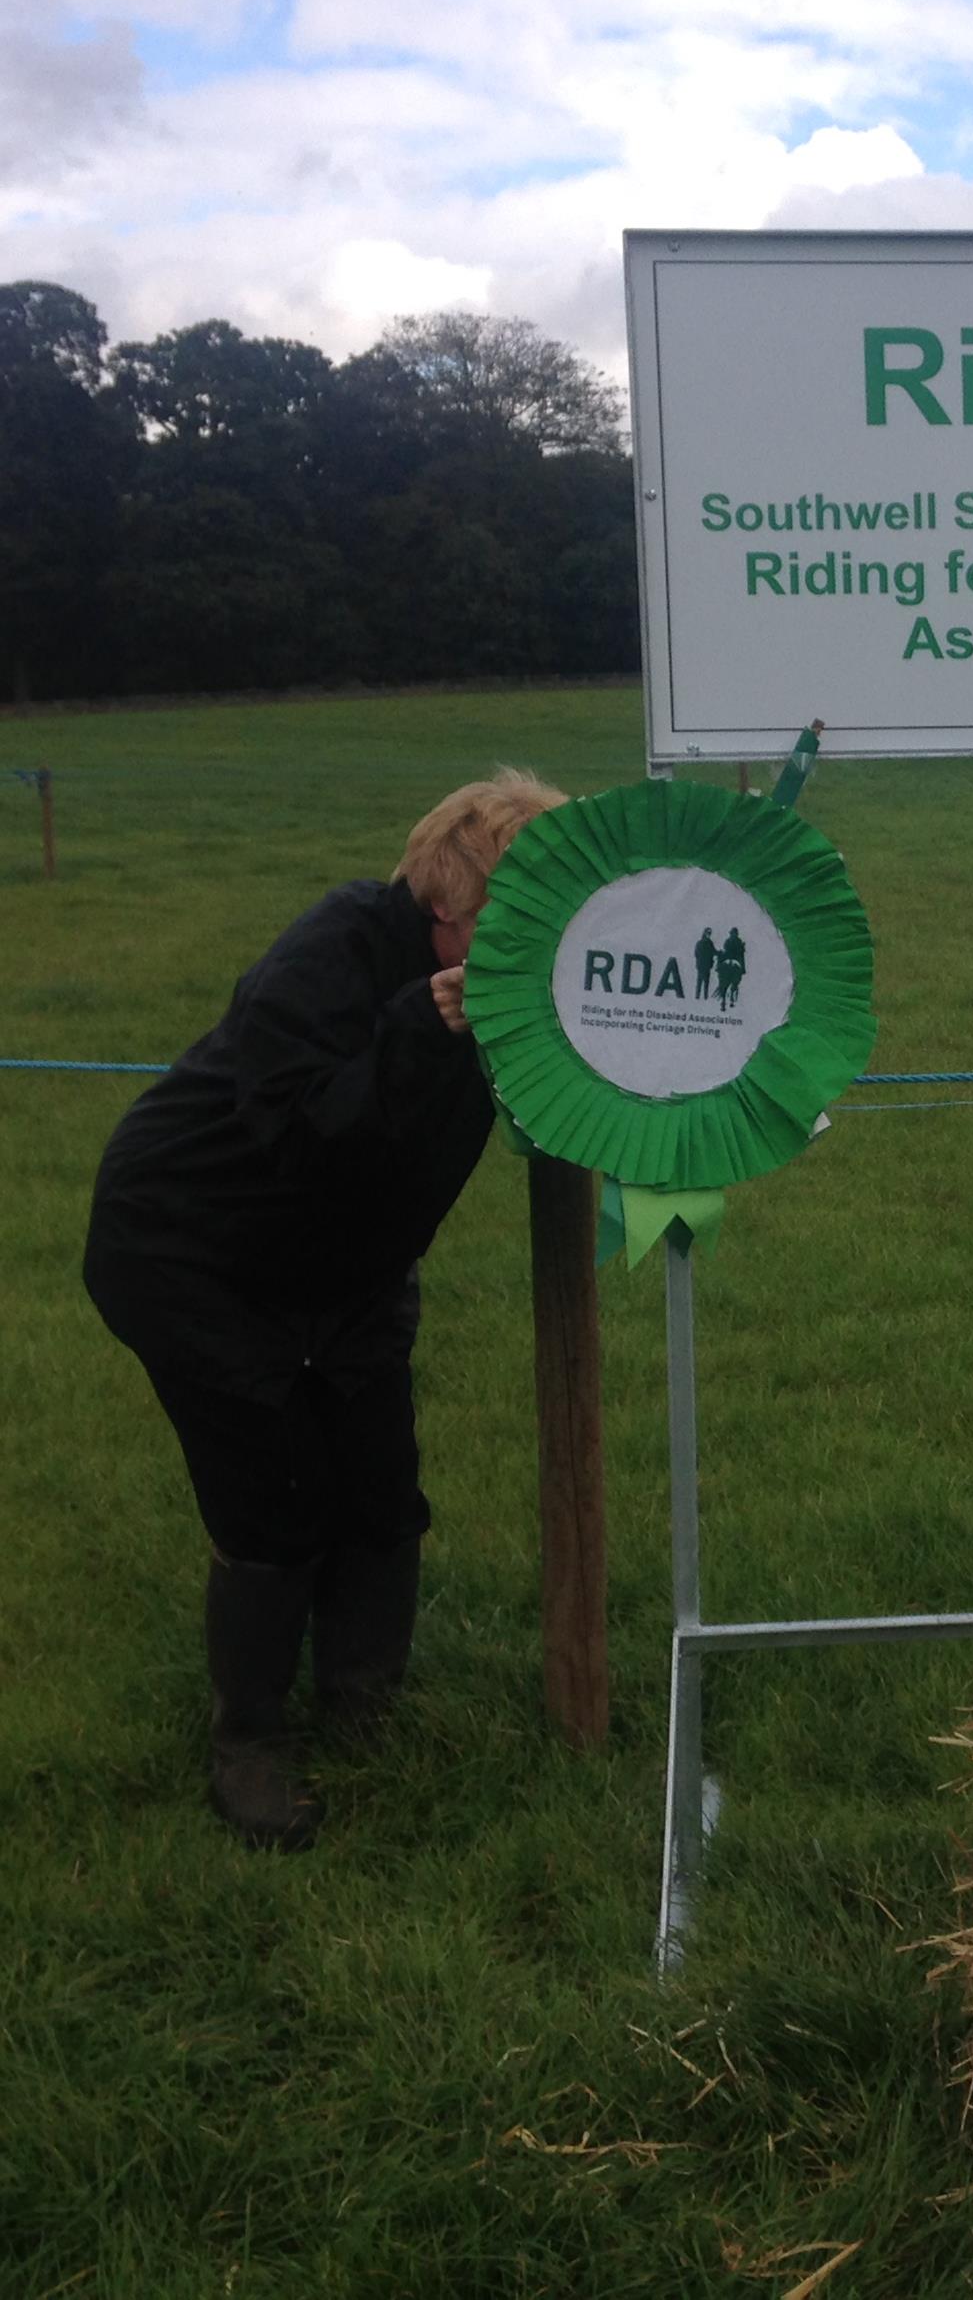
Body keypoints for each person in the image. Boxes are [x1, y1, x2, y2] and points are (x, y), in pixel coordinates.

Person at [83, 770, 566, 1850]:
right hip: (188, 1249)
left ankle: (367, 1704)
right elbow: (310, 1138)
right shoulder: (336, 953)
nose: (547, 941)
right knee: (277, 1491)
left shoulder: (504, 987)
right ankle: (249, 1740)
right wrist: (422, 1026)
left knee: (381, 1484)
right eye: (526, 916)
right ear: (451, 909)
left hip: (346, 1269)